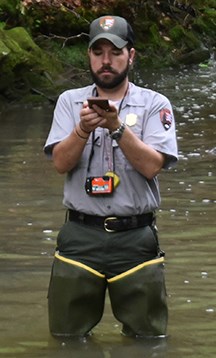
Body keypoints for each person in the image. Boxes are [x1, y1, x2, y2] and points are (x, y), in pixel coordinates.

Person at [44, 15, 178, 339]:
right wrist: (82, 129)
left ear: (131, 55)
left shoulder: (154, 104)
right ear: (88, 55)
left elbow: (152, 166)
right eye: (98, 51)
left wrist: (117, 127)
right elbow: (60, 163)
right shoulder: (69, 101)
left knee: (149, 340)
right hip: (79, 235)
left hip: (136, 238)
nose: (106, 61)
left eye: (115, 51)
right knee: (65, 340)